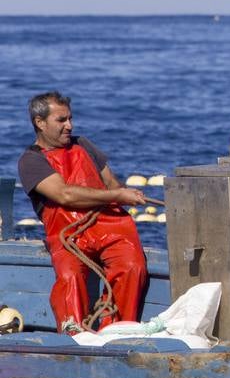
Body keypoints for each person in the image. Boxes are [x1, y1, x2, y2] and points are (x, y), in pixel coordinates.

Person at [17, 91, 149, 331]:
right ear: (39, 122)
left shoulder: (83, 144)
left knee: (132, 267)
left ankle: (117, 331)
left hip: (110, 225)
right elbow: (64, 194)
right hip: (69, 235)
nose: (70, 126)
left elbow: (111, 183)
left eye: (70, 118)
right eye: (61, 120)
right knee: (70, 278)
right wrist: (118, 196)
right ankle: (75, 334)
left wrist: (124, 193)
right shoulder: (30, 161)